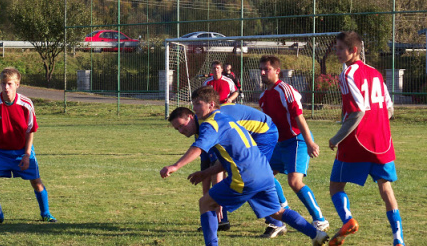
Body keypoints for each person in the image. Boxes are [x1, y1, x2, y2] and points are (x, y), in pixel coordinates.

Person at [161, 86, 329, 246]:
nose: (195, 109)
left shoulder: (210, 124)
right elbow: (227, 160)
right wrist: (206, 173)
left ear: (211, 104)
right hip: (263, 172)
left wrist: (175, 166)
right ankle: (316, 234)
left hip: (246, 177)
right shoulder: (225, 118)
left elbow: (198, 148)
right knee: (277, 212)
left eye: (198, 104)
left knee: (205, 203)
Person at [328, 31, 404, 246]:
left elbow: (358, 111)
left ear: (354, 50)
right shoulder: (376, 73)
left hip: (357, 140)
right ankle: (398, 238)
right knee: (385, 188)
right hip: (381, 141)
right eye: (336, 48)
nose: (337, 52)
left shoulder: (347, 74)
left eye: (341, 48)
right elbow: (389, 109)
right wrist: (376, 123)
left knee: (336, 187)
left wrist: (337, 137)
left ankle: (347, 220)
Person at [174, 98, 290, 239]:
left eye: (182, 125)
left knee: (248, 178)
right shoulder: (201, 128)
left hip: (263, 133)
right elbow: (206, 167)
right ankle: (222, 220)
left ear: (192, 116)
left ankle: (277, 220)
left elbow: (219, 167)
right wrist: (209, 203)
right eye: (177, 128)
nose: (181, 131)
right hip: (253, 135)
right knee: (244, 178)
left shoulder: (212, 124)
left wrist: (217, 201)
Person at [258, 55, 329, 232]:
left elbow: (299, 117)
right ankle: (284, 213)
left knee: (294, 182)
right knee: (264, 176)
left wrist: (310, 142)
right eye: (261, 69)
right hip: (279, 143)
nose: (262, 72)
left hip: (296, 140)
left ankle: (319, 219)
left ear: (277, 71)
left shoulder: (285, 90)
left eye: (266, 69)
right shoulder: (263, 97)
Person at [0, 67, 57, 226]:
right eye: (3, 84)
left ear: (17, 84)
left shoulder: (26, 104)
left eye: (9, 84)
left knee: (37, 183)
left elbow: (30, 130)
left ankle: (46, 213)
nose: (6, 87)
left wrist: (27, 154)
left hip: (22, 150)